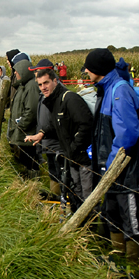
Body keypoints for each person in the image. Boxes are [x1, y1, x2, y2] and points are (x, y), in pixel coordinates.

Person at [86, 48, 139, 262]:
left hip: (126, 174)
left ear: (98, 69)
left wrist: (109, 167)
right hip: (112, 172)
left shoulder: (119, 91)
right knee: (111, 215)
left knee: (130, 220)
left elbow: (127, 137)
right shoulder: (106, 89)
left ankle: (133, 268)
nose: (85, 70)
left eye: (89, 67)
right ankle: (117, 259)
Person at [26, 69, 93, 211]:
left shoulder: (69, 99)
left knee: (89, 199)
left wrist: (74, 147)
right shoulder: (54, 101)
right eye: (40, 84)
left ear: (55, 81)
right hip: (72, 158)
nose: (43, 87)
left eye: (46, 83)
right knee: (76, 195)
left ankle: (93, 229)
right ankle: (80, 229)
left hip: (84, 159)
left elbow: (86, 124)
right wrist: (41, 133)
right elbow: (55, 123)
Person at [7, 57, 40, 179]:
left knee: (30, 159)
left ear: (23, 71)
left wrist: (20, 126)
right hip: (23, 132)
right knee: (25, 159)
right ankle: (28, 179)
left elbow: (31, 110)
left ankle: (33, 182)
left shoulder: (31, 87)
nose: (15, 73)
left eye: (17, 71)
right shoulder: (23, 86)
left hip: (27, 133)